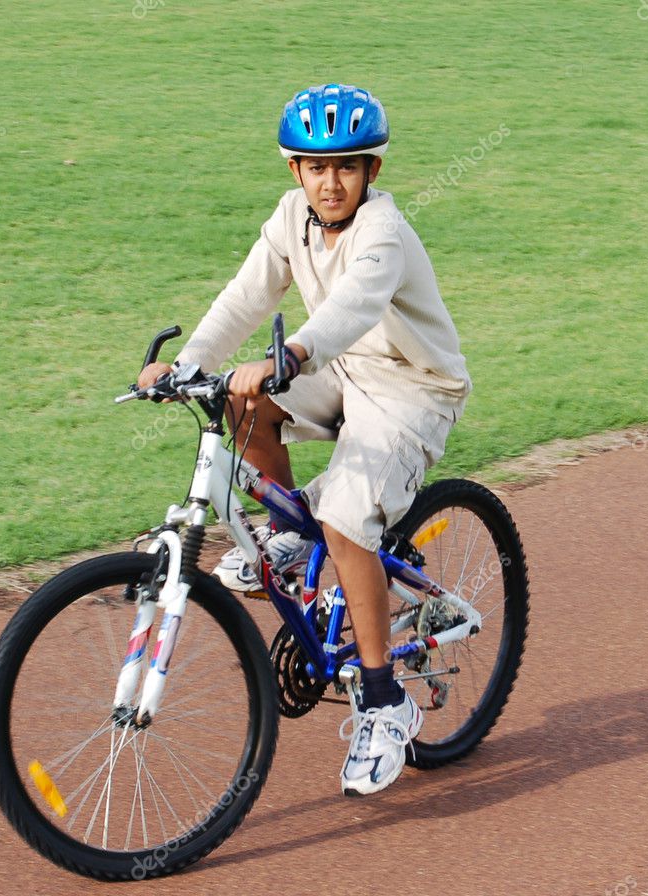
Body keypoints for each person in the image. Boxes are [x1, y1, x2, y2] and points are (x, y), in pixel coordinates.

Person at [136, 84, 471, 796]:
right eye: (315, 168)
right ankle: (287, 532)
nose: (330, 181)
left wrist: (292, 356)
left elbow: (356, 306)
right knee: (239, 396)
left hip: (412, 386)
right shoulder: (292, 218)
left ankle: (385, 701)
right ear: (295, 171)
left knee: (347, 522)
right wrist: (187, 364)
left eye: (347, 166)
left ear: (371, 172)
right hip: (342, 368)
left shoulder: (382, 231)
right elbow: (246, 295)